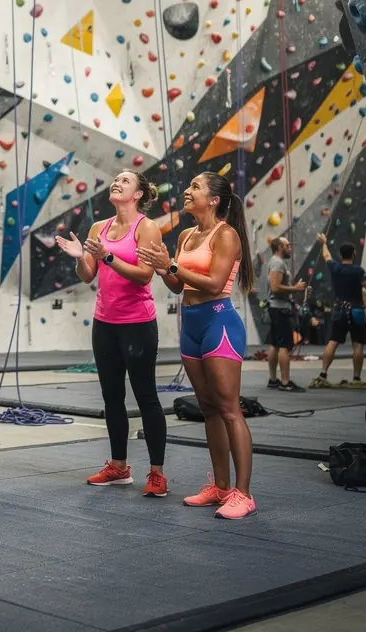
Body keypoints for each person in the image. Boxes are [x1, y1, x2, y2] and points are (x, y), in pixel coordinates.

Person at [137, 171, 256, 520]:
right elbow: (178, 286)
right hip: (190, 324)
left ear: (214, 199)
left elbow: (216, 281)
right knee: (207, 407)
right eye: (188, 186)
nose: (187, 192)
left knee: (229, 408)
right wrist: (163, 267)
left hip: (219, 323)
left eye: (195, 188)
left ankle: (243, 493)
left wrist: (171, 265)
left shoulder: (227, 235)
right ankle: (220, 486)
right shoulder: (187, 235)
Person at [56, 171, 168, 497]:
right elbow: (88, 275)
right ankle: (119, 467)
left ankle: (157, 474)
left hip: (138, 323)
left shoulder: (146, 227)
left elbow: (144, 276)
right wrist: (81, 259)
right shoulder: (98, 228)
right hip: (104, 323)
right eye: (115, 179)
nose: (116, 183)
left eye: (125, 181)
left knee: (146, 397)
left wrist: (107, 255)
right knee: (111, 398)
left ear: (138, 194)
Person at [311, 234, 366, 388]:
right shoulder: (358, 271)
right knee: (357, 344)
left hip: (339, 310)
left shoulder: (335, 267)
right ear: (354, 253)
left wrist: (324, 243)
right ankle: (356, 378)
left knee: (333, 341)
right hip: (356, 311)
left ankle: (323, 374)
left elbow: (326, 255)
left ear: (342, 255)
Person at [263, 237, 307, 392]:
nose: (290, 248)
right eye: (288, 246)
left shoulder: (276, 262)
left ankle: (273, 380)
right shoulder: (277, 263)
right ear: (280, 247)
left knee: (275, 344)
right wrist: (295, 288)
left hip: (277, 308)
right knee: (285, 345)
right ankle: (285, 382)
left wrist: (296, 288)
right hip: (280, 309)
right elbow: (275, 288)